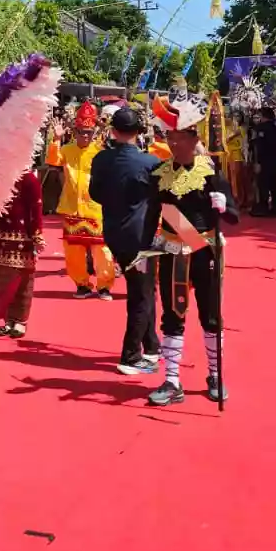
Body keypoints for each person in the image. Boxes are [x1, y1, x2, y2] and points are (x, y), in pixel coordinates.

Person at [144, 96, 236, 406]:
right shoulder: (160, 174)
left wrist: (224, 207)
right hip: (172, 251)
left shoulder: (210, 172)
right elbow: (151, 215)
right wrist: (144, 252)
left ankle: (215, 373)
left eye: (178, 137)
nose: (172, 143)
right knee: (172, 315)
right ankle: (171, 380)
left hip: (205, 250)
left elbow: (233, 214)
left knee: (210, 315)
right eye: (169, 137)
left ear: (193, 139)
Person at [88, 106, 163, 376]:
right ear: (139, 132)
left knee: (143, 290)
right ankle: (131, 355)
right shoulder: (150, 163)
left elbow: (95, 193)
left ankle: (151, 344)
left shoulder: (101, 159)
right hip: (139, 237)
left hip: (113, 232)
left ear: (113, 130)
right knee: (141, 294)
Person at [44, 102, 115, 298]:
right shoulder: (67, 149)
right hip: (71, 208)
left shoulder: (101, 151)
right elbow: (52, 161)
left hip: (96, 208)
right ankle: (82, 284)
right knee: (73, 252)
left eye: (89, 132)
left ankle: (104, 286)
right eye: (82, 132)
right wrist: (56, 139)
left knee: (102, 251)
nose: (85, 136)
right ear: (75, 131)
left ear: (94, 133)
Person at [0, 168, 43, 339]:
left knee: (21, 282)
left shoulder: (29, 178)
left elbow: (36, 207)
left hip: (22, 239)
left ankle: (20, 321)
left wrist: (37, 233)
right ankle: (8, 320)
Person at [249, 107, 276, 217]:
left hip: (266, 161)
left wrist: (258, 162)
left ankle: (263, 208)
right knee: (274, 185)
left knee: (263, 184)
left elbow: (259, 147)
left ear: (263, 116)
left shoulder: (261, 128)